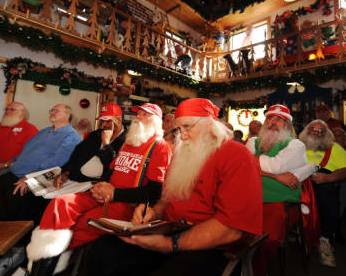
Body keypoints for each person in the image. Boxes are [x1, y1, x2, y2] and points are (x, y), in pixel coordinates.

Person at [80, 98, 263, 276]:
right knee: (102, 249)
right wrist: (152, 211)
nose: (182, 135)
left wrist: (170, 244)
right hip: (169, 232)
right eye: (179, 129)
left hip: (209, 246)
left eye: (187, 127)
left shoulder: (237, 156)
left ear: (209, 124)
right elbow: (166, 199)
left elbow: (229, 229)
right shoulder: (184, 154)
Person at [25, 103, 172, 276]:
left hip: (125, 204)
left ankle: (42, 269)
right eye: (138, 113)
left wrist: (114, 193)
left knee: (80, 225)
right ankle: (39, 261)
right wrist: (100, 185)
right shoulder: (130, 142)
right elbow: (110, 172)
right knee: (61, 202)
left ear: (156, 121)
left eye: (145, 114)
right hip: (103, 194)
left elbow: (154, 192)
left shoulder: (160, 147)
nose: (138, 117)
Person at [245, 104, 316, 274]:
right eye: (270, 118)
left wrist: (263, 167)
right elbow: (244, 166)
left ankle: (255, 269)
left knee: (266, 240)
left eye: (280, 119)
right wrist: (276, 177)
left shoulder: (296, 145)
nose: (273, 122)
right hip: (250, 200)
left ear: (288, 126)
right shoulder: (252, 141)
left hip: (279, 203)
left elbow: (274, 165)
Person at [0, 104, 81, 220]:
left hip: (41, 176)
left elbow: (57, 161)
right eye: (51, 110)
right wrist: (5, 164)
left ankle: (10, 233)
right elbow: (25, 153)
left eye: (56, 111)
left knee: (13, 197)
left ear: (68, 115)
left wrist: (31, 176)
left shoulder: (71, 136)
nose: (52, 112)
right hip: (18, 172)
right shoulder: (44, 131)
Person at [299, 120, 346, 267]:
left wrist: (329, 178)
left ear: (326, 134)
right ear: (306, 131)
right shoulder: (297, 146)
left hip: (322, 184)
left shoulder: (334, 148)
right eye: (313, 129)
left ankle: (325, 240)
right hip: (298, 184)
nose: (316, 133)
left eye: (321, 130)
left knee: (328, 191)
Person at [57, 102, 126, 185]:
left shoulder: (127, 141)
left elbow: (113, 166)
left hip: (97, 184)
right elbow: (77, 152)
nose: (103, 125)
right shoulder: (96, 134)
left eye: (107, 121)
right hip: (76, 178)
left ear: (119, 120)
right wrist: (66, 171)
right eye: (102, 121)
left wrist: (106, 144)